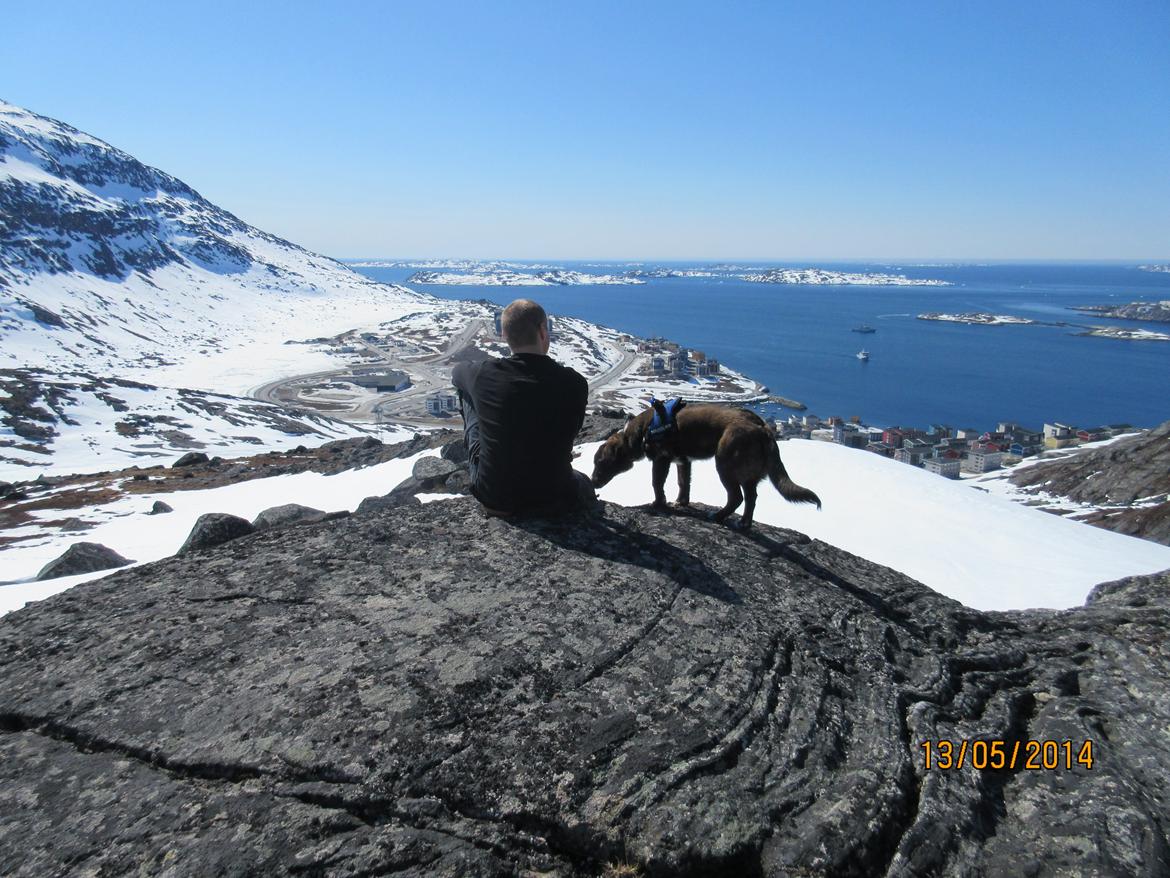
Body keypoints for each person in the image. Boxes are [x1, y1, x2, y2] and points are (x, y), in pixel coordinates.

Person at [452, 299, 594, 516]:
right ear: (543, 331)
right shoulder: (574, 382)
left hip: (496, 500)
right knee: (582, 480)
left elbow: (457, 374)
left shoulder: (484, 375)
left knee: (467, 392)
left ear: (504, 335)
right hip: (556, 497)